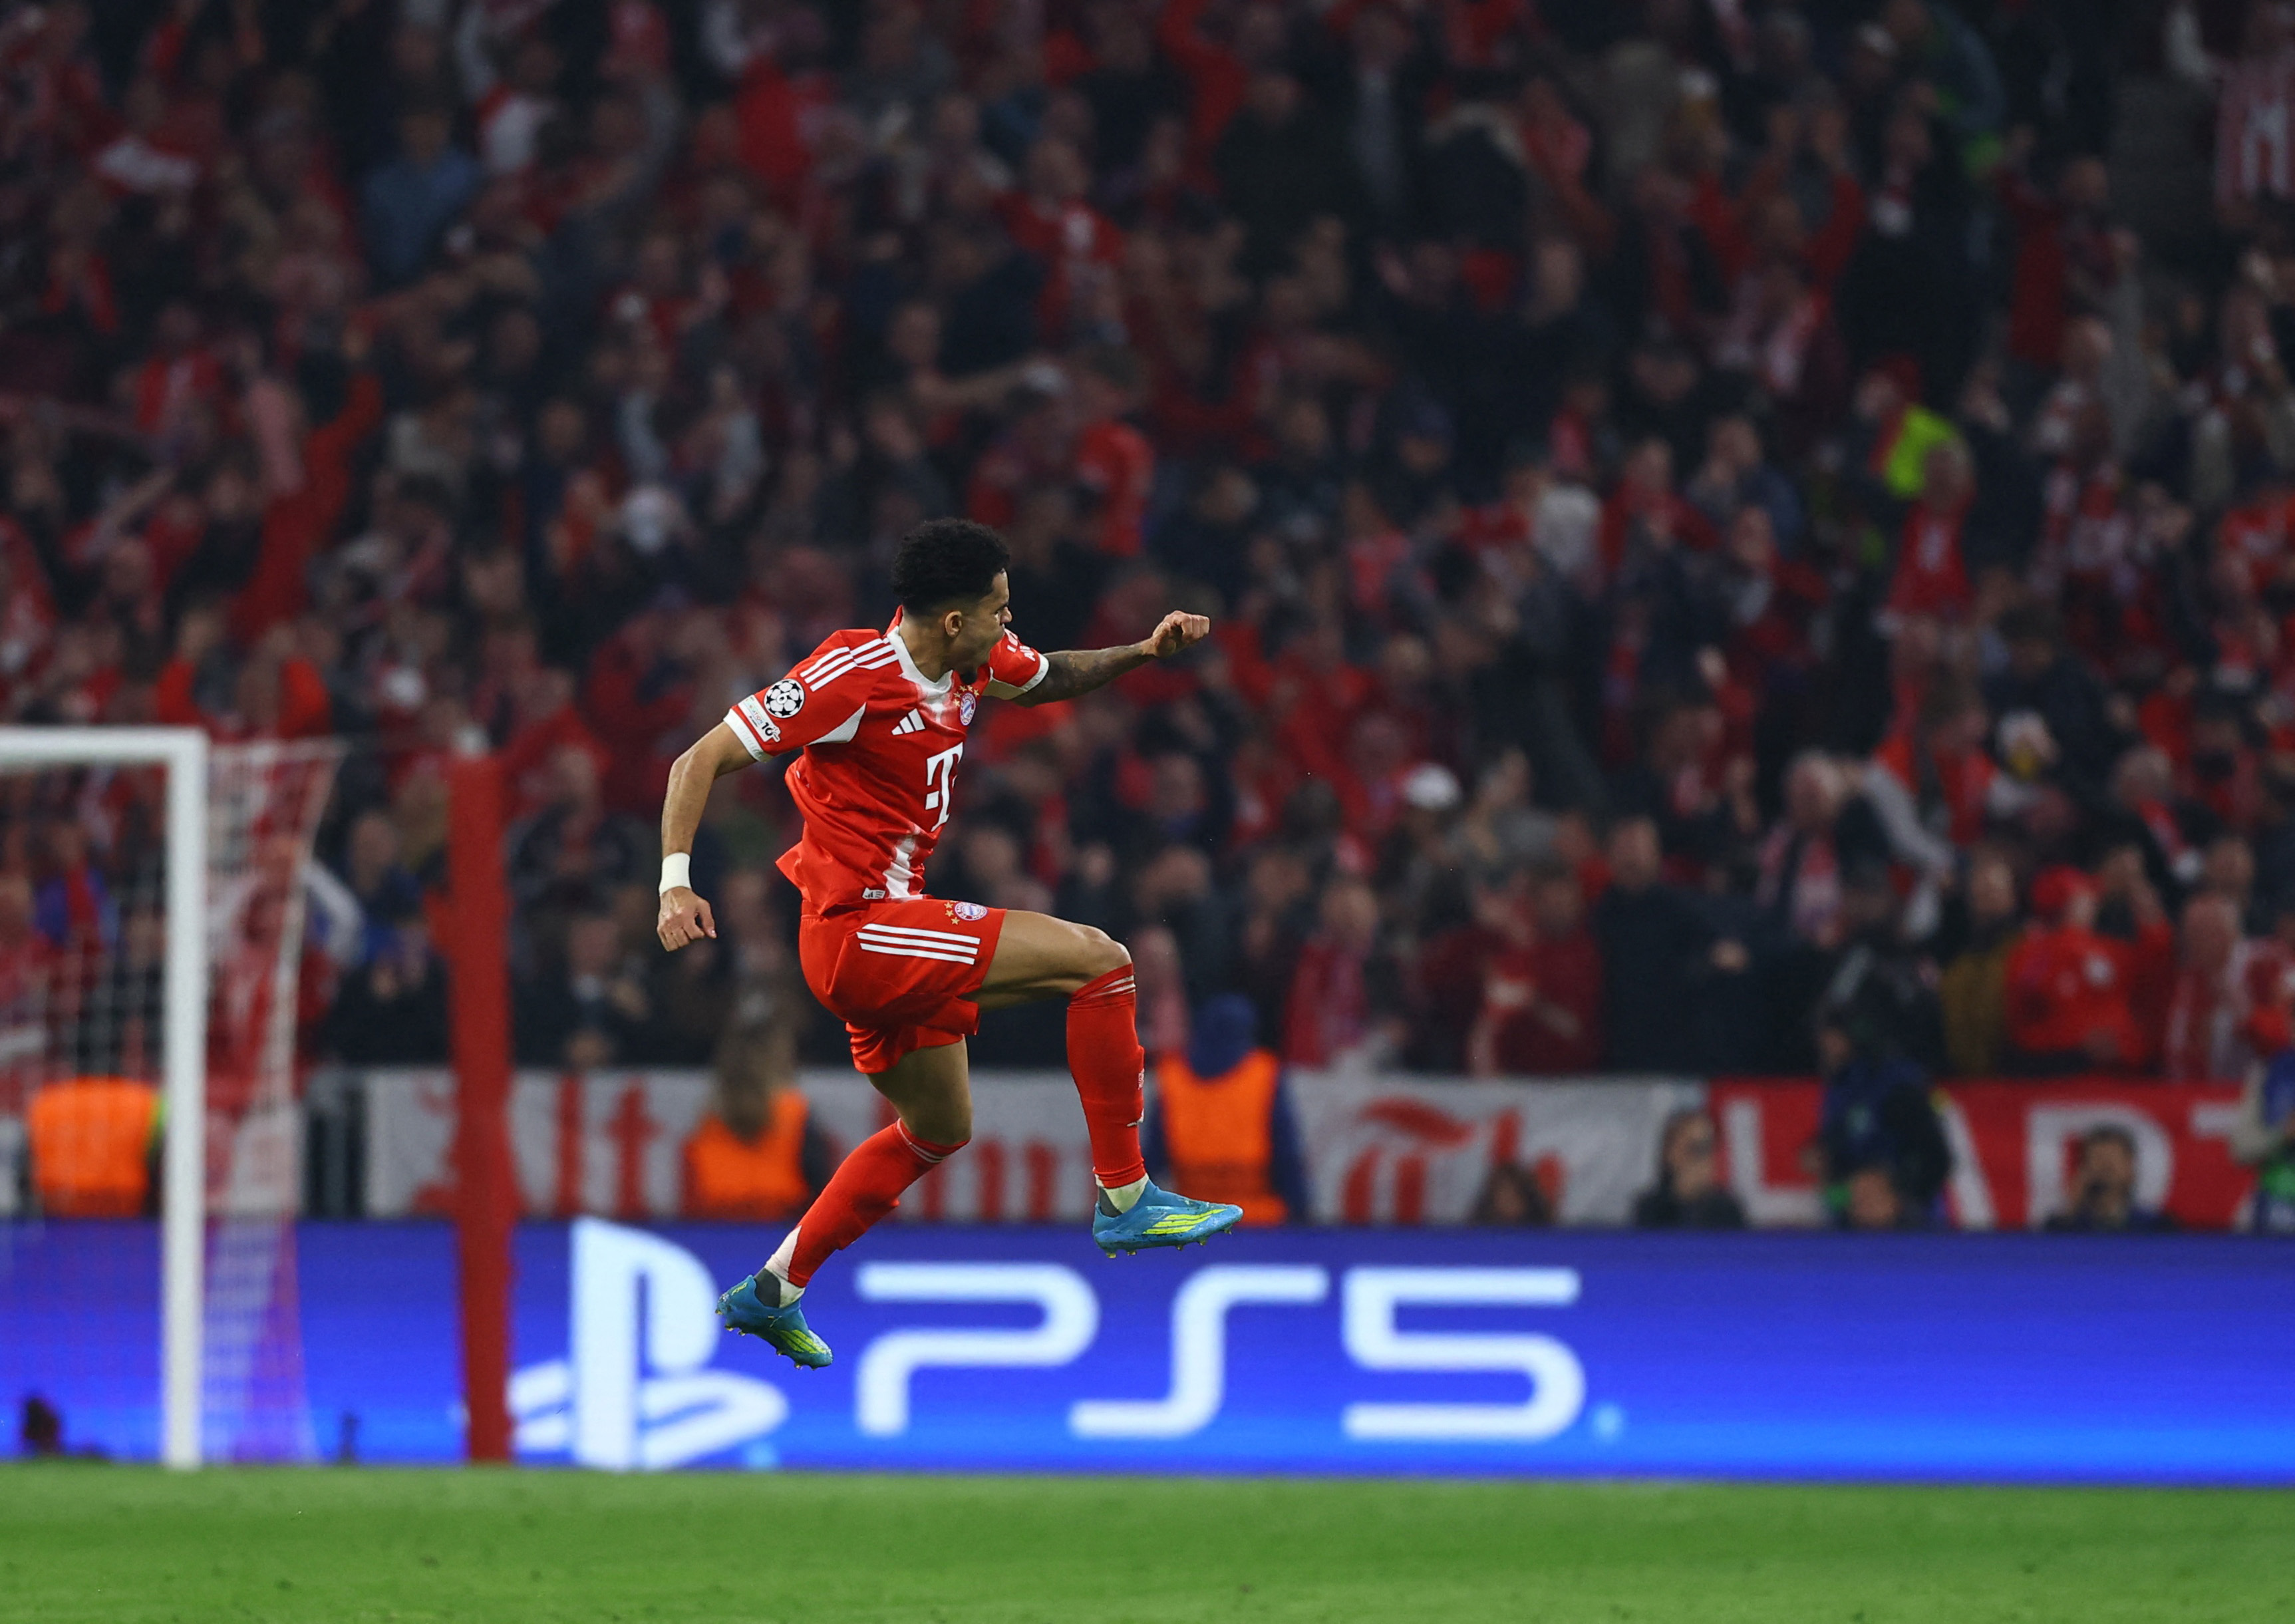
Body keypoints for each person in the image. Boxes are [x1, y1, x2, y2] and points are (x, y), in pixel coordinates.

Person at [657, 518, 1243, 1367]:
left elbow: (1047, 679)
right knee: (1103, 960)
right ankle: (1126, 1193)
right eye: (1000, 609)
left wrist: (1144, 651)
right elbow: (696, 760)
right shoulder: (850, 676)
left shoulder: (972, 658)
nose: (1012, 623)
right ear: (954, 620)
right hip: (859, 929)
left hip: (884, 933)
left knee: (937, 1126)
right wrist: (676, 880)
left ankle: (774, 1288)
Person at [1144, 995, 1309, 1225]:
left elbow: (1152, 1158)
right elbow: (1286, 1157)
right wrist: (1302, 1217)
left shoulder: (1173, 1077)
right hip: (1256, 1221)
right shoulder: (1263, 1073)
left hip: (1191, 1221)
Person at [681, 1021, 836, 1223]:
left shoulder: (707, 1123)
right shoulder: (795, 1112)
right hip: (784, 1228)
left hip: (720, 1231)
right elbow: (819, 1180)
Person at [24, 1075, 162, 1218]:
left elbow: (31, 1155)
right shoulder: (144, 1099)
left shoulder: (45, 1100)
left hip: (59, 1200)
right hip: (126, 1200)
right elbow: (157, 1155)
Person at [2042, 1125, 2175, 1233]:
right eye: (2098, 1159)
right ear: (2083, 1168)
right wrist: (2071, 1209)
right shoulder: (2061, 1226)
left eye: (2112, 1162)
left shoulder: (2156, 1227)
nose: (2105, 1168)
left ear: (2131, 1168)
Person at [1632, 1108, 1747, 1229]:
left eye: (1709, 1148)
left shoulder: (1728, 1210)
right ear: (1670, 1152)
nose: (1704, 1159)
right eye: (1696, 1148)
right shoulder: (1650, 1209)